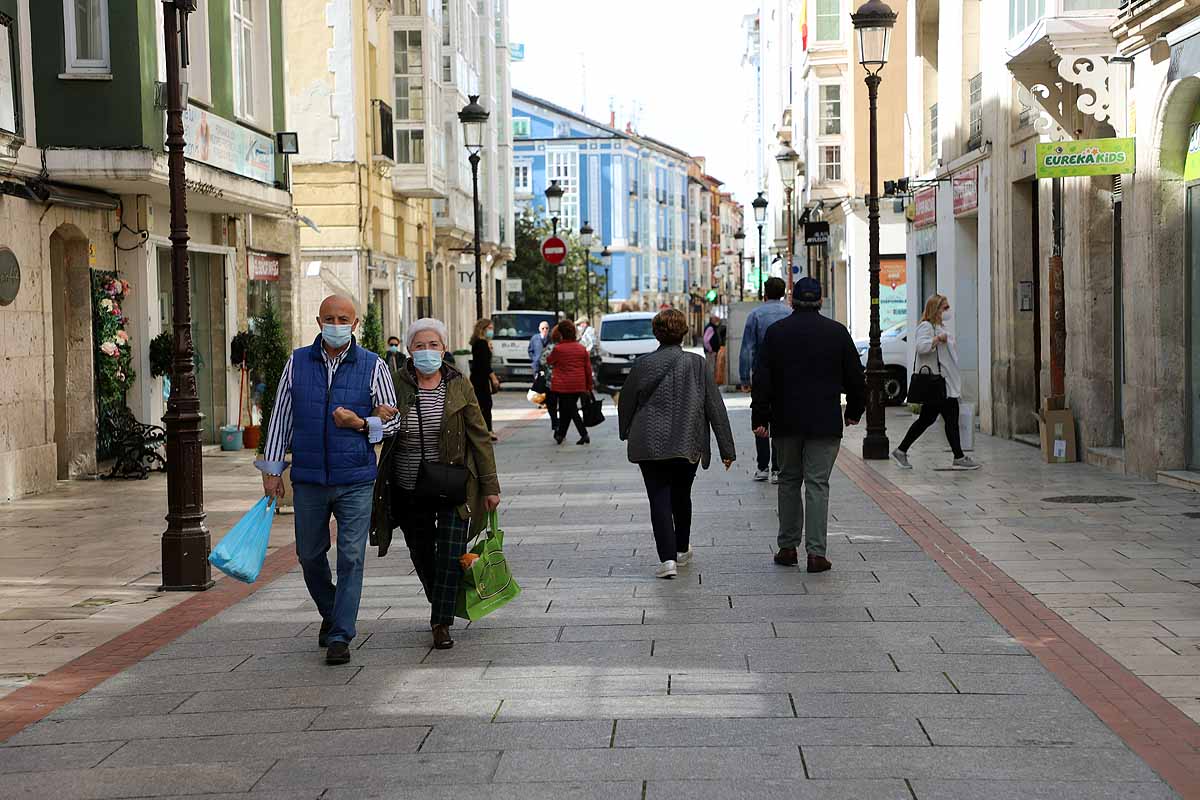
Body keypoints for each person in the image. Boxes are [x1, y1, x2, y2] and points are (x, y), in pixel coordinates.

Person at [259, 295, 400, 666]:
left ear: (355, 324)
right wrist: (273, 471)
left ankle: (340, 635)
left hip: (355, 478)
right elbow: (281, 417)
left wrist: (362, 422)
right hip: (308, 477)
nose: (336, 325)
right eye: (329, 318)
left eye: (343, 319)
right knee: (308, 554)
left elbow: (393, 422)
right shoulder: (297, 363)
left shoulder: (373, 365)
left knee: (351, 556)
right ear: (318, 320)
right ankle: (333, 609)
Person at [370, 318, 501, 650]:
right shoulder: (395, 383)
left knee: (451, 553)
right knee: (423, 552)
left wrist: (490, 486)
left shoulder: (459, 384)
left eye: (433, 345)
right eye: (419, 345)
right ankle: (443, 600)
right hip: (407, 485)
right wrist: (376, 413)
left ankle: (441, 622)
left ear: (444, 348)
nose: (426, 351)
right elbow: (377, 421)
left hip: (452, 484)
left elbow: (480, 437)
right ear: (409, 350)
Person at [752, 277, 865, 575]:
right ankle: (816, 553)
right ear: (821, 299)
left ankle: (788, 547)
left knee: (788, 480)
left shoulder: (777, 333)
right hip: (824, 422)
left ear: (793, 300)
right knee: (818, 484)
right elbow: (856, 377)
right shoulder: (837, 333)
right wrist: (854, 411)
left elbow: (762, 379)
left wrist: (759, 417)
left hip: (786, 421)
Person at [618, 308, 736, 579]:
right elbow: (714, 406)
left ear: (656, 333)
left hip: (649, 442)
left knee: (658, 497)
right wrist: (726, 449)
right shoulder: (697, 364)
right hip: (687, 440)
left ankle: (667, 560)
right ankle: (682, 549)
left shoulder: (643, 364)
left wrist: (625, 431)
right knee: (682, 495)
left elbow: (626, 402)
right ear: (683, 333)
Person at [892, 294, 981, 471]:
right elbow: (921, 347)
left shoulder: (941, 326)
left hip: (944, 382)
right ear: (936, 309)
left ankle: (901, 450)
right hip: (938, 383)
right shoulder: (926, 327)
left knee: (928, 419)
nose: (947, 311)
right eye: (944, 308)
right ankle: (958, 457)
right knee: (948, 418)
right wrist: (937, 340)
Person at [739, 277, 791, 484]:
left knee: (760, 417)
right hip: (787, 375)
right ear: (784, 292)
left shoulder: (755, 315)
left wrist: (744, 377)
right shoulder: (791, 313)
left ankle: (762, 467)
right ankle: (778, 468)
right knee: (780, 419)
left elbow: (747, 349)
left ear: (765, 293)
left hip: (762, 374)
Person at [547, 319, 594, 445]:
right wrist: (589, 386)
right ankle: (560, 435)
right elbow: (588, 369)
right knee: (565, 409)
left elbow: (549, 361)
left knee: (571, 409)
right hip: (579, 384)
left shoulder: (558, 349)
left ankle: (584, 434)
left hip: (562, 385)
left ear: (560, 333)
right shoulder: (581, 349)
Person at [469, 318, 500, 442]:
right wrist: (494, 378)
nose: (491, 331)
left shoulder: (479, 343)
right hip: (480, 379)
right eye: (490, 329)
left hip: (478, 377)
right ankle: (487, 430)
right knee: (485, 404)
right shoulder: (481, 344)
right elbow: (485, 364)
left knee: (484, 404)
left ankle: (486, 429)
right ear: (483, 329)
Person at [539, 326, 563, 435]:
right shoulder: (565, 348)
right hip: (563, 382)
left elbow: (542, 362)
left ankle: (555, 423)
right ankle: (561, 425)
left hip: (551, 381)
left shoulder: (550, 348)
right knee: (563, 405)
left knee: (551, 405)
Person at [702, 313, 723, 380]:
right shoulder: (710, 328)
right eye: (715, 319)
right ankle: (709, 382)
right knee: (711, 368)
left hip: (711, 351)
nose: (717, 320)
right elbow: (706, 340)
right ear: (712, 320)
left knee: (711, 367)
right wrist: (710, 349)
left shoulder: (712, 326)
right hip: (710, 352)